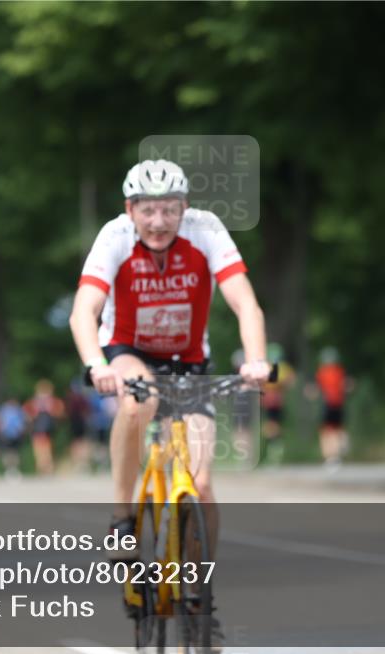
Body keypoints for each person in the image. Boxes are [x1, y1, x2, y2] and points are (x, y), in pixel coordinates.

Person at [68, 158, 270, 563]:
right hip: (129, 352)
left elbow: (245, 303)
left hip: (189, 363)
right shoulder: (115, 237)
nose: (159, 221)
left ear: (185, 207)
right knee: (137, 402)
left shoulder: (206, 230)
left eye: (170, 209)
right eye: (147, 209)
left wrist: (256, 360)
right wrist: (97, 366)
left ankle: (201, 596)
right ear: (130, 210)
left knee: (203, 484)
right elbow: (83, 312)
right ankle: (122, 514)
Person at [315, 347, 351, 469]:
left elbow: (317, 388)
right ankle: (337, 452)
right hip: (337, 403)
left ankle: (331, 456)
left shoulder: (323, 372)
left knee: (327, 431)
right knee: (337, 429)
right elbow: (346, 385)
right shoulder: (340, 371)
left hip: (329, 404)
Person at [24, 380, 64, 475]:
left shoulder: (35, 401)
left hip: (39, 428)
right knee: (46, 447)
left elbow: (27, 413)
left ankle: (43, 466)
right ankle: (46, 466)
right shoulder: (51, 401)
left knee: (40, 448)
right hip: (47, 428)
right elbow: (60, 412)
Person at [0, 398, 27, 479]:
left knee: (13, 452)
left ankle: (13, 469)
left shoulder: (17, 410)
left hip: (15, 434)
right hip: (7, 434)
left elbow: (24, 421)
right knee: (9, 452)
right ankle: (9, 469)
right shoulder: (5, 410)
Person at [66, 379, 93, 473]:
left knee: (78, 442)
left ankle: (80, 462)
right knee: (81, 442)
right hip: (79, 422)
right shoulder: (81, 398)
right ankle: (81, 462)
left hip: (76, 422)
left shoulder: (71, 398)